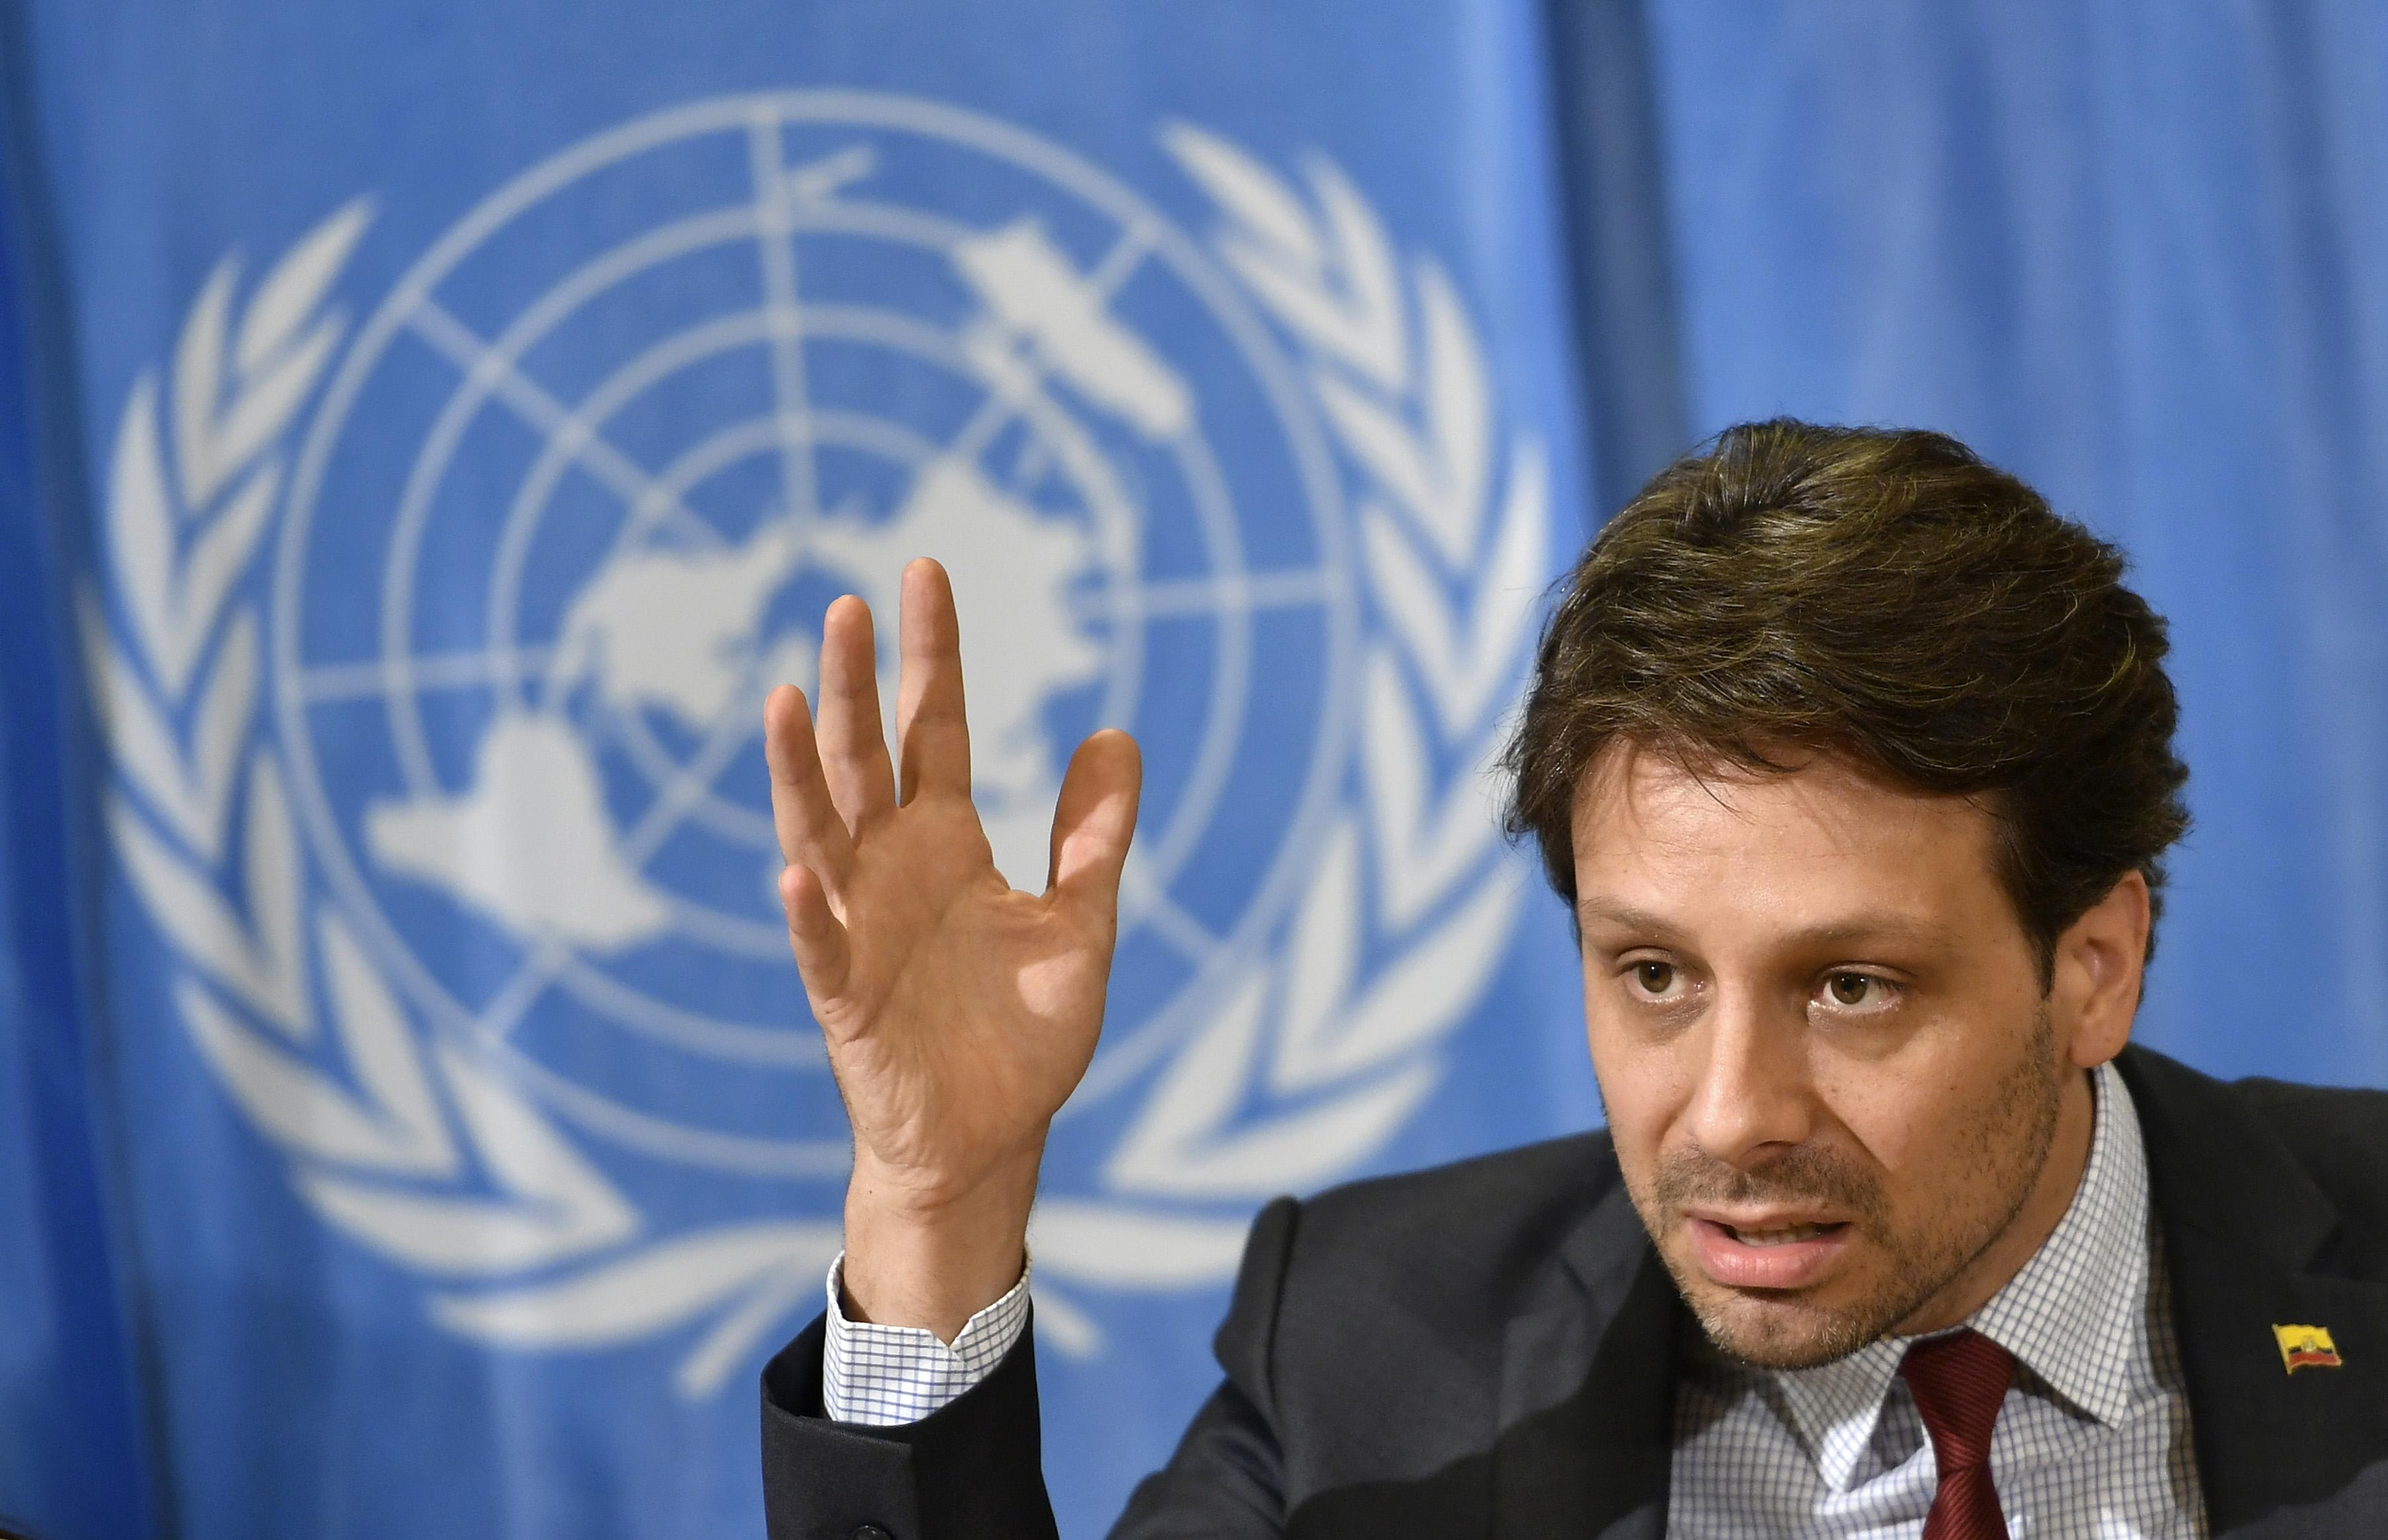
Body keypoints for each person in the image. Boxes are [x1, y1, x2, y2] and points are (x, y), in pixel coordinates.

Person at [754, 420, 2388, 1539]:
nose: (1733, 1115)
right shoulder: (1379, 1350)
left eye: (1854, 989)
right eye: (1656, 973)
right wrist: (937, 1201)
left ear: (2092, 967)